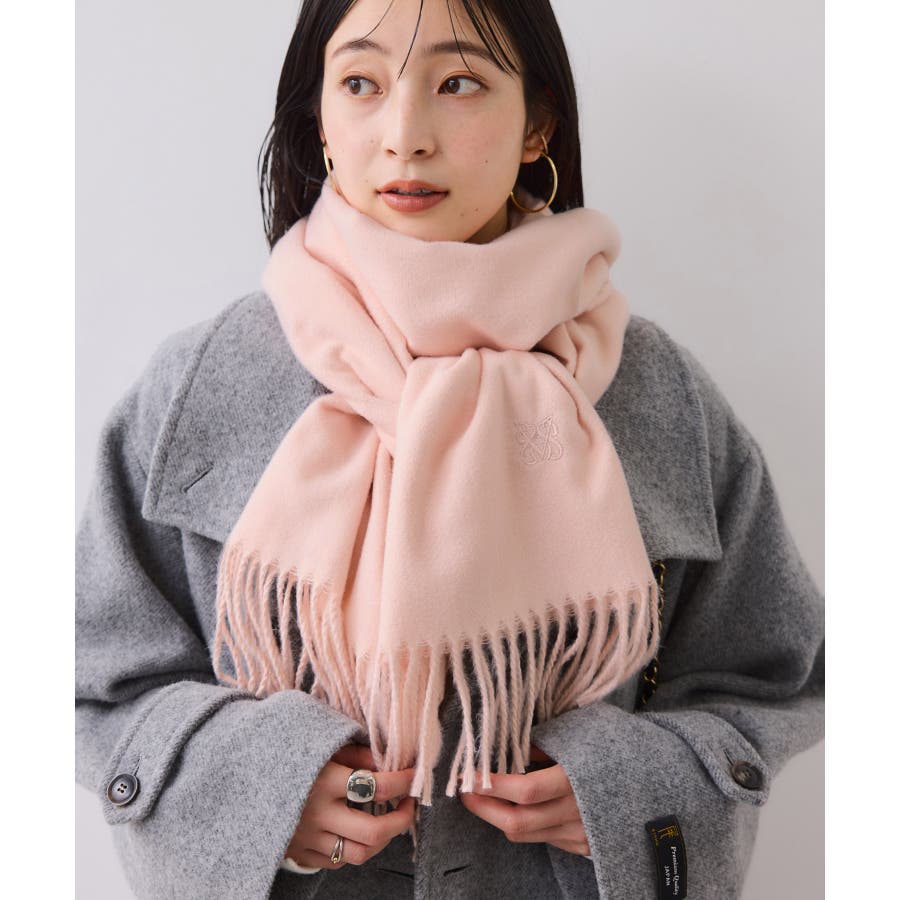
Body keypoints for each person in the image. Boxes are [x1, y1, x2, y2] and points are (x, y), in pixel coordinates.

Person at [74, 1, 824, 898]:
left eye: (459, 82)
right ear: (321, 120)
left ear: (537, 123)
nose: (405, 134)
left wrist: (628, 791)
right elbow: (94, 677)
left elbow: (769, 674)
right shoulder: (201, 385)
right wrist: (262, 790)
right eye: (361, 82)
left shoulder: (655, 393)